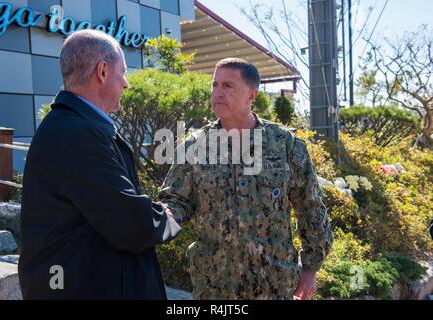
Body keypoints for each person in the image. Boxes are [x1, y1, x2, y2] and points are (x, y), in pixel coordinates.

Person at [19, 30, 180, 300]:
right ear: (103, 71)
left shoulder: (71, 125)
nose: (126, 83)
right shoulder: (76, 132)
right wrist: (165, 215)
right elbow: (130, 224)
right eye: (123, 72)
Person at [159, 58, 333, 300]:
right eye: (215, 85)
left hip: (275, 284)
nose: (218, 93)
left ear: (251, 95)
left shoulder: (283, 143)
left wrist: (311, 268)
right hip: (215, 285)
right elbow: (176, 201)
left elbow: (310, 207)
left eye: (228, 86)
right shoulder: (196, 145)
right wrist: (154, 219)